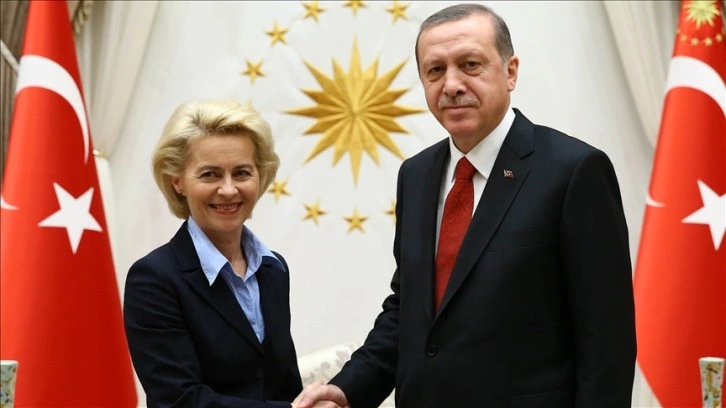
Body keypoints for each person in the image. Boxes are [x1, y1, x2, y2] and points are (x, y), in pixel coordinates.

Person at [295, 4, 636, 408]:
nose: (452, 84)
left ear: (510, 72)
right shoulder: (416, 175)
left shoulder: (573, 171)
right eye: (435, 70)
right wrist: (348, 389)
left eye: (470, 65)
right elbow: (411, 311)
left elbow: (606, 344)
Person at [124, 100, 302, 407]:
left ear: (260, 176)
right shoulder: (153, 280)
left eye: (242, 173)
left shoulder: (274, 269)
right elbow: (180, 400)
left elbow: (284, 385)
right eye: (210, 175)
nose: (229, 190)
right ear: (177, 182)